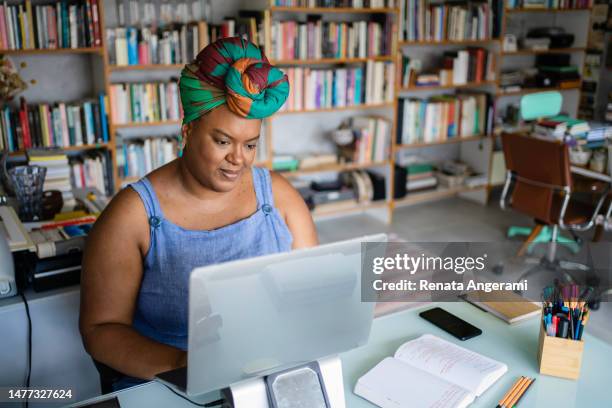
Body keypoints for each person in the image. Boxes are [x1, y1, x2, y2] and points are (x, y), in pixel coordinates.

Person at [79, 37, 318, 391]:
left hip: (266, 370)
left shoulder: (278, 195)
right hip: (172, 382)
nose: (238, 159)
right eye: (222, 141)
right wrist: (184, 364)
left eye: (250, 145)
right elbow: (100, 330)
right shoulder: (133, 216)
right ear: (188, 131)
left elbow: (313, 289)